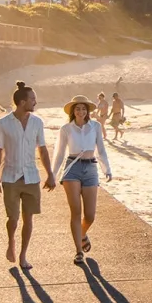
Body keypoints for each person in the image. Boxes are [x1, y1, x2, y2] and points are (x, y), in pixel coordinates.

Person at [0, 81, 56, 270]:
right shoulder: (3, 124)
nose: (35, 102)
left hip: (31, 178)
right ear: (22, 102)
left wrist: (50, 174)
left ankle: (23, 255)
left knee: (29, 219)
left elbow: (42, 150)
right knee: (13, 219)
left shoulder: (37, 122)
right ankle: (11, 241)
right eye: (32, 99)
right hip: (10, 177)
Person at [54, 95, 113, 266]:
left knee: (90, 215)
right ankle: (78, 251)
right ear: (73, 111)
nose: (81, 111)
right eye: (77, 108)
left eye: (83, 108)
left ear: (88, 110)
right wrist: (53, 174)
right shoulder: (66, 129)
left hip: (91, 168)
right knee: (76, 212)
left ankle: (81, 234)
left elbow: (100, 150)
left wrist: (107, 169)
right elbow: (59, 153)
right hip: (72, 168)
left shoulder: (95, 126)